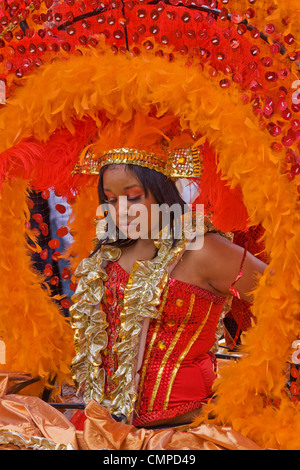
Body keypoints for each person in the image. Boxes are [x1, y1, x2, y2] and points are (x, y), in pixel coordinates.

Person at [69, 111, 267, 432]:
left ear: (163, 193)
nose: (119, 211)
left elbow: (286, 300)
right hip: (104, 428)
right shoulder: (110, 251)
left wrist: (254, 377)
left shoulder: (203, 249)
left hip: (182, 432)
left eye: (133, 197)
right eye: (109, 199)